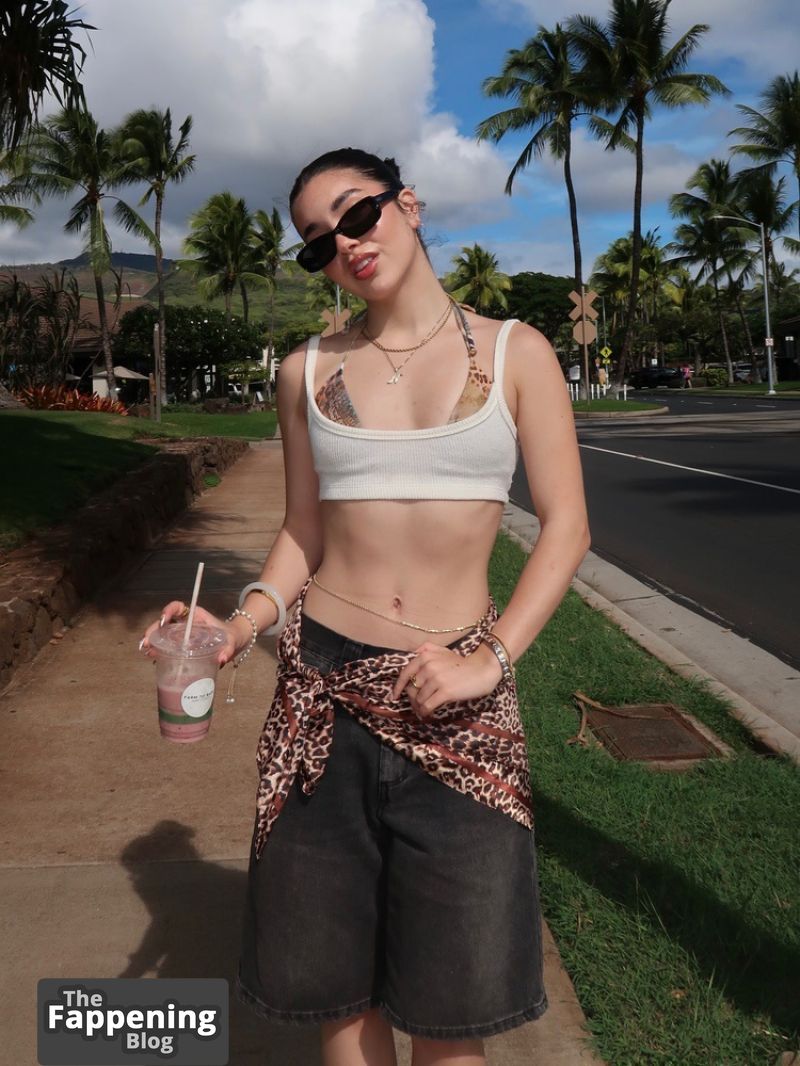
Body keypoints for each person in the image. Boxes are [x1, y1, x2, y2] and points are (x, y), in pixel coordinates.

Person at [141, 147, 590, 1066]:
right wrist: (239, 626)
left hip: (458, 704)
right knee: (338, 996)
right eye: (318, 242)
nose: (345, 243)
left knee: (452, 1011)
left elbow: (568, 529)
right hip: (323, 698)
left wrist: (488, 660)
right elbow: (303, 532)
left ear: (408, 204)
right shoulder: (306, 370)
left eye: (357, 214)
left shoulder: (517, 352)